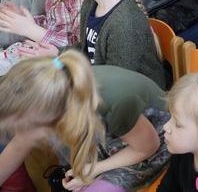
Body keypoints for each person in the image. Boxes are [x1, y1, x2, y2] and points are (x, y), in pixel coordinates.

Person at [0, 50, 170, 190]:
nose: (21, 132)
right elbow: (19, 143)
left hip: (157, 138)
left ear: (49, 114)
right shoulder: (57, 93)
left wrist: (93, 170)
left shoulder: (115, 102)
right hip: (119, 132)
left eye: (26, 126)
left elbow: (148, 147)